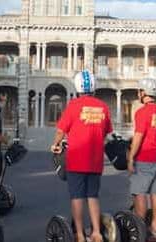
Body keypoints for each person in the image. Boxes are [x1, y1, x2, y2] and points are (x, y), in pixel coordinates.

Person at [50, 70, 112, 242]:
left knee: (77, 197)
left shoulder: (73, 106)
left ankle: (79, 233)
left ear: (78, 87)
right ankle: (97, 233)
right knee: (92, 196)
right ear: (93, 87)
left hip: (76, 159)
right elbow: (106, 133)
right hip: (95, 160)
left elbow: (61, 131)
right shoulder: (103, 107)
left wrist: (55, 145)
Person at [127, 78, 156, 238]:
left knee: (139, 192)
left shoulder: (142, 112)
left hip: (145, 157)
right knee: (155, 192)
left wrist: (131, 157)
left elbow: (139, 136)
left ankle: (140, 227)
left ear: (143, 93)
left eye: (139, 91)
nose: (138, 93)